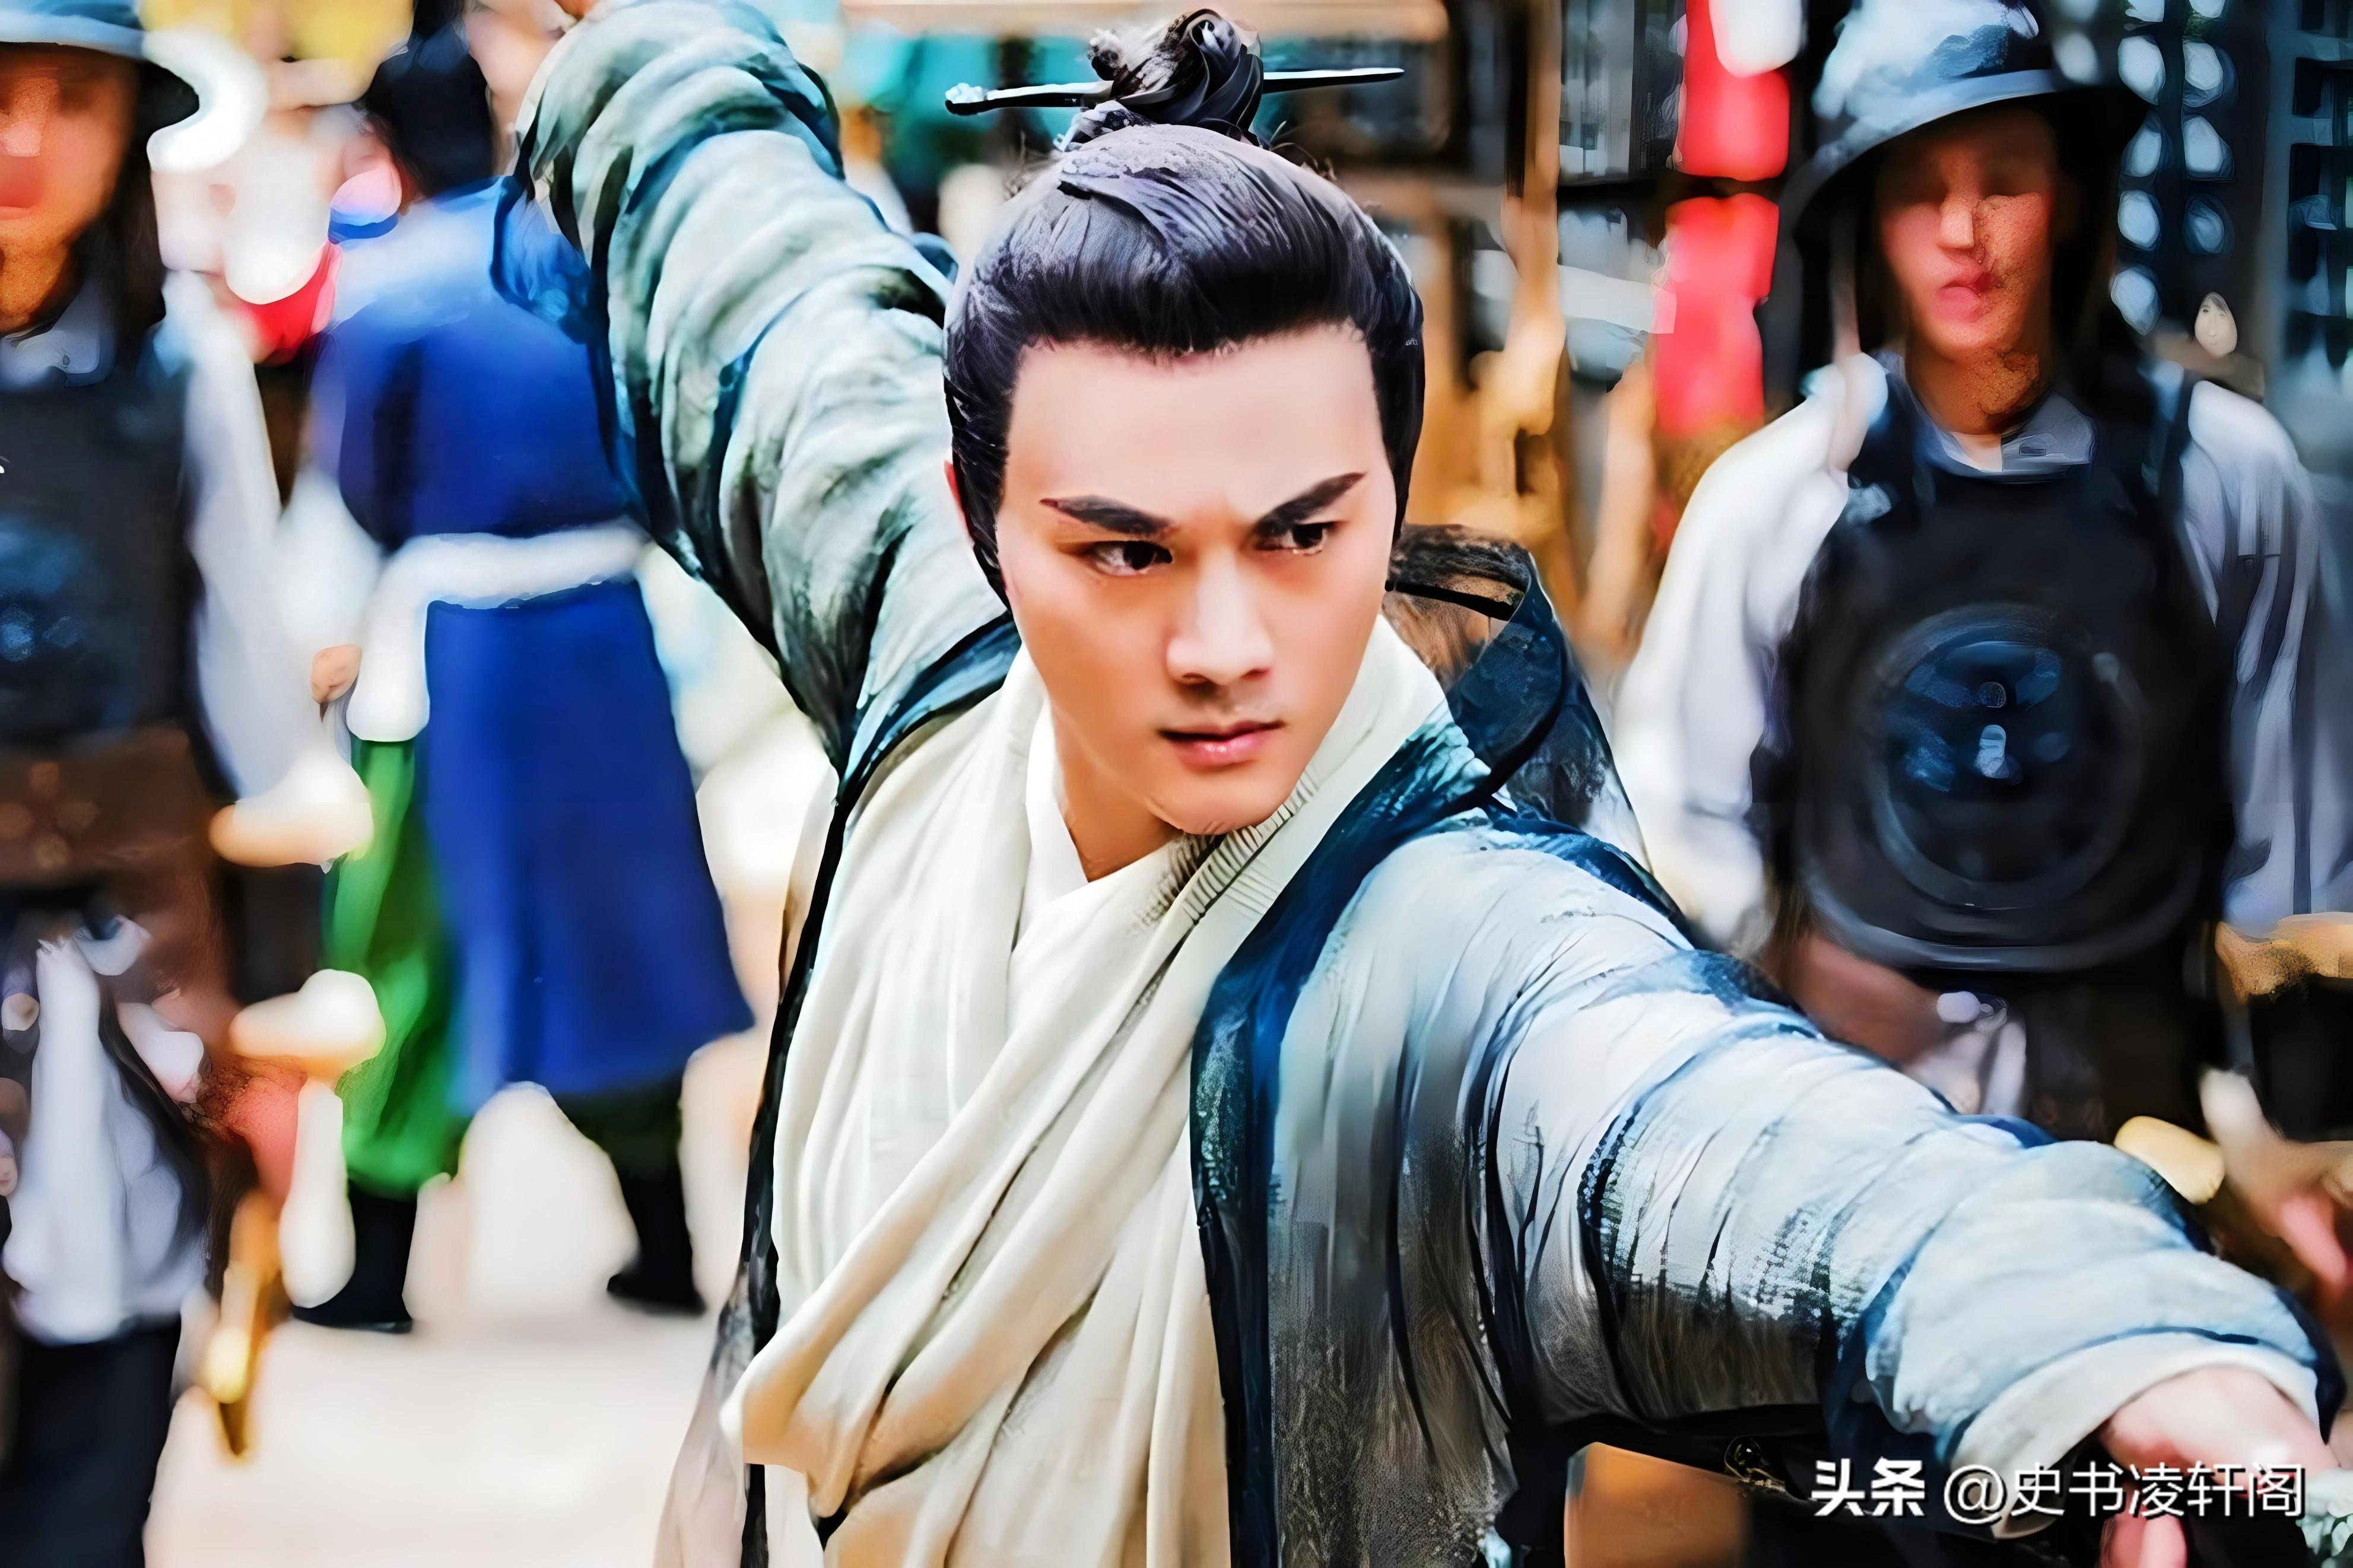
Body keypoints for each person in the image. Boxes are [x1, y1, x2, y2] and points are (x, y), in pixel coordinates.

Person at [522, 5, 2338, 1565]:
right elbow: (759, 275)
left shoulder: (1447, 953)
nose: (1222, 642)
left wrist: (2091, 1322)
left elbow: (1719, 1141)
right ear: (974, 519)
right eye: (1124, 551)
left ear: (1394, 498)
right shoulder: (934, 657)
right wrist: (652, 44)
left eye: (1301, 534)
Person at [1617, 0, 2346, 1147]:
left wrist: (2295, 1140)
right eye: (1919, 190)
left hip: (2141, 1128)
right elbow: (1686, 842)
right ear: (1869, 221)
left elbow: (2299, 869)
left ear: (2068, 196)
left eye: (2003, 179)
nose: (1963, 230)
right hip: (1849, 1121)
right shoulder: (1775, 502)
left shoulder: (2223, 481)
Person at [284, 14, 751, 1334]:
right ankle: (666, 1244)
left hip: (454, 661)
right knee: (621, 941)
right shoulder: (583, 270)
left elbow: (354, 498)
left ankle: (377, 1268)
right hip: (605, 649)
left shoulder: (388, 293)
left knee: (412, 945)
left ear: (384, 146)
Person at [0, 3, 342, 1561]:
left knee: (95, 1438)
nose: (24, 143)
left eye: (69, 100)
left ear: (122, 133)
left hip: (125, 985)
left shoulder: (179, 370)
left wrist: (271, 1017)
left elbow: (256, 710)